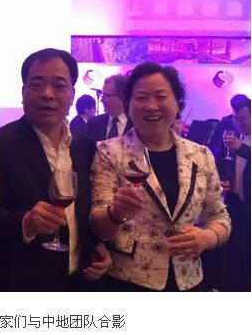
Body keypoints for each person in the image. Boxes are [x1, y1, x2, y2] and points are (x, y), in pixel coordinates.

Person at [0, 49, 111, 291]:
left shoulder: (87, 147)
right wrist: (26, 223)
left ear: (72, 95)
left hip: (80, 285)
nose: (47, 94)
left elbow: (87, 213)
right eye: (37, 85)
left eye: (59, 86)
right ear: (23, 92)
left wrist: (97, 245)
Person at [89, 62, 231, 291]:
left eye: (161, 96)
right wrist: (115, 213)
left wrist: (208, 237)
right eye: (141, 97)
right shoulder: (109, 152)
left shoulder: (201, 155)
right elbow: (98, 227)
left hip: (189, 280)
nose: (151, 106)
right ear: (128, 105)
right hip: (128, 281)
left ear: (177, 103)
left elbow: (220, 217)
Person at [221, 98, 250, 291]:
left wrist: (241, 148)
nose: (240, 123)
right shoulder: (241, 138)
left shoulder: (242, 144)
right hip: (235, 201)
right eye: (237, 119)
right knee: (232, 247)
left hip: (249, 206)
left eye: (244, 118)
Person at [87, 74, 133, 142]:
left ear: (122, 96)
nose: (102, 100)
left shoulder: (136, 124)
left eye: (107, 96)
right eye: (103, 95)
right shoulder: (93, 123)